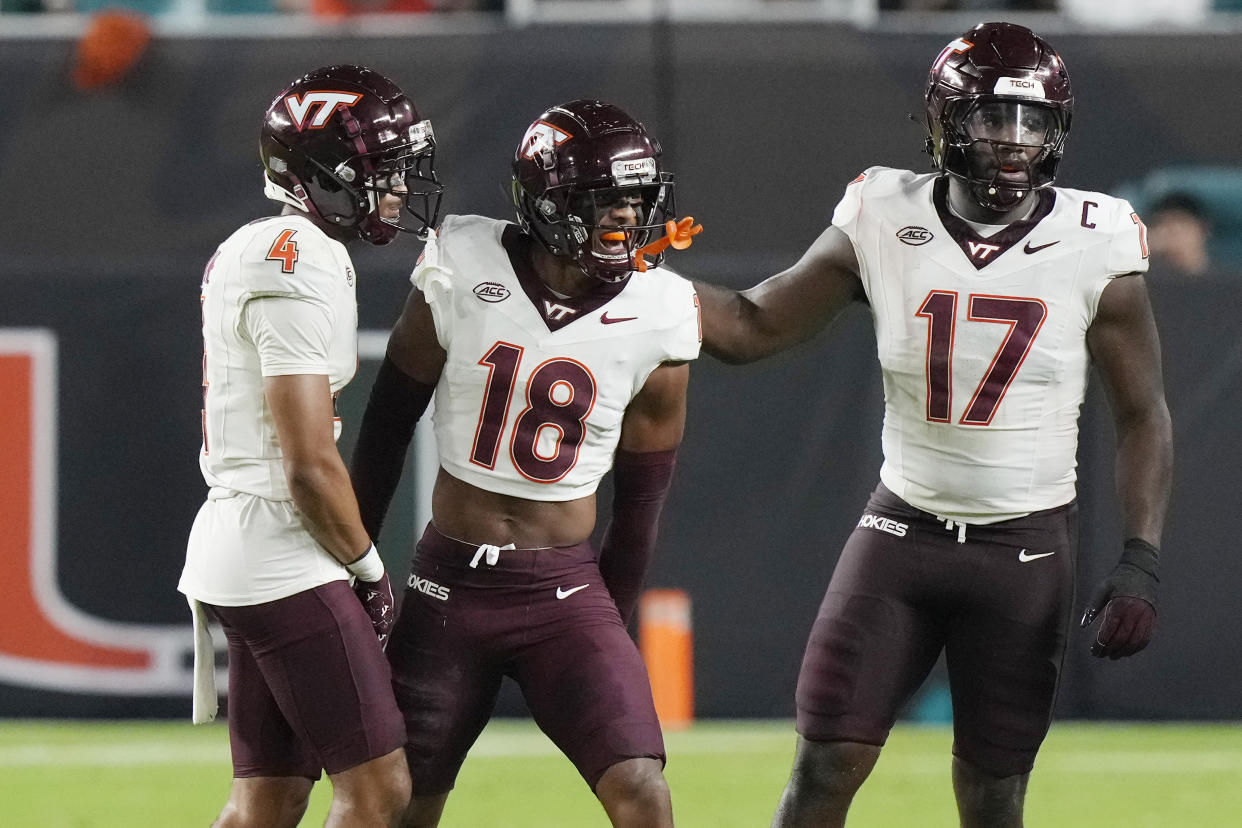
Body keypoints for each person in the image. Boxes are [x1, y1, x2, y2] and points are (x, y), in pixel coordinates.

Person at [692, 23, 1172, 828]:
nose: (1014, 142)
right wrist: (634, 284)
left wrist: (1142, 558)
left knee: (992, 797)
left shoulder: (1098, 239)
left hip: (1023, 551)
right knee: (823, 769)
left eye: (1032, 122)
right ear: (944, 123)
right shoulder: (883, 212)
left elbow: (1143, 411)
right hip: (900, 534)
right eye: (992, 118)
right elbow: (751, 327)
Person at [349, 99, 702, 828]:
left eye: (637, 201)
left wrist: (606, 618)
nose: (624, 220)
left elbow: (642, 502)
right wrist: (356, 571)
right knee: (397, 806)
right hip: (447, 584)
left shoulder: (661, 308)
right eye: (604, 201)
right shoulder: (464, 259)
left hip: (564, 589)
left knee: (642, 788)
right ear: (546, 203)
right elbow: (385, 428)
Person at [178, 64, 443, 828]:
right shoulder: (298, 257)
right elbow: (305, 459)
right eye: (382, 168)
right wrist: (366, 565)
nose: (397, 186)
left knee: (268, 798)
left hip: (249, 543)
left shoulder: (268, 245)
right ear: (326, 170)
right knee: (378, 790)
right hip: (278, 550)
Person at [1146, 191, 1214, 278]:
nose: (1170, 236)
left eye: (1181, 223)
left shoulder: (1227, 281)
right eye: (1162, 225)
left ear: (1203, 229)